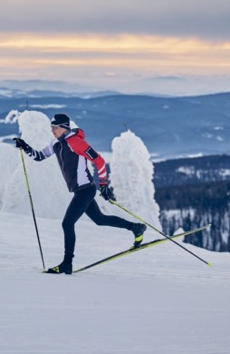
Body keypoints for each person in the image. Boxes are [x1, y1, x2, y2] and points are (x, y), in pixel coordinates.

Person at [13, 113, 146, 274]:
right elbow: (40, 156)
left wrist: (103, 185)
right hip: (80, 190)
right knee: (100, 219)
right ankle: (136, 228)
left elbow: (99, 161)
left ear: (64, 128)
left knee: (67, 224)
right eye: (51, 127)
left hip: (85, 190)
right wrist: (25, 146)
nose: (52, 130)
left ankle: (66, 264)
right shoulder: (56, 142)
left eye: (55, 128)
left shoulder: (75, 142)